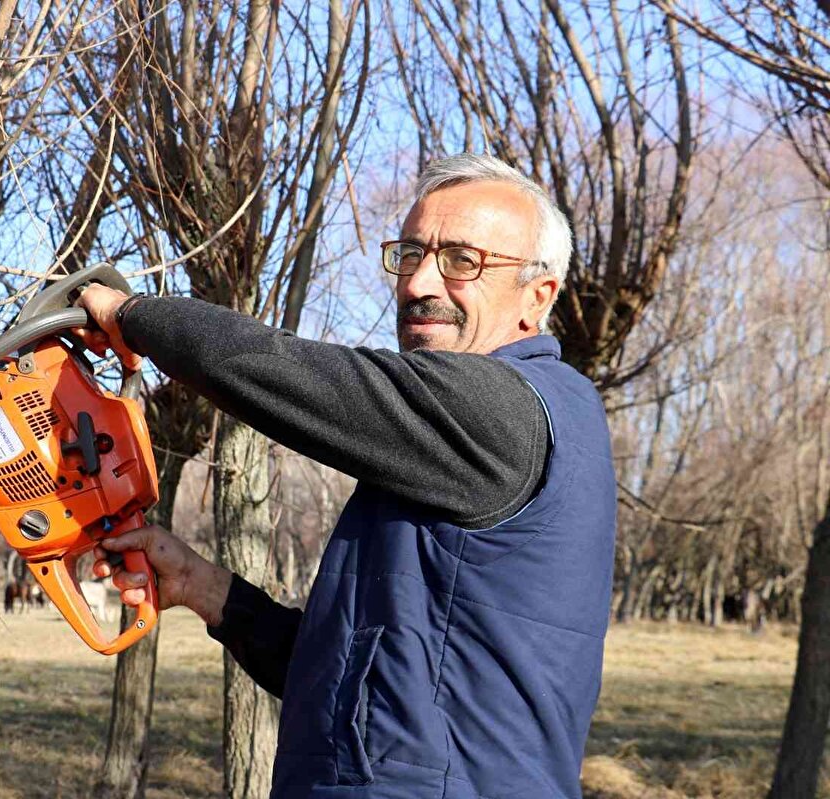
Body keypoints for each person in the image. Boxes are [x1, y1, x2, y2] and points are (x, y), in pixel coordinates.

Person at [77, 153, 615, 799]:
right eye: (411, 254)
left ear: (538, 296)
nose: (419, 283)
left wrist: (131, 316)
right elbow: (359, 688)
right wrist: (204, 588)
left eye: (462, 261)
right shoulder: (448, 450)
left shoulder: (505, 414)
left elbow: (291, 374)